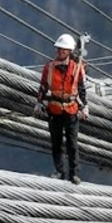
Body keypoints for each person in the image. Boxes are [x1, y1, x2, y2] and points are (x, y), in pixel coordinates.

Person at [37, 33, 87, 184]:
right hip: (54, 109)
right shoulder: (49, 68)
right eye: (59, 49)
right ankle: (60, 171)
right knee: (56, 142)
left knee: (72, 143)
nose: (60, 52)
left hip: (71, 110)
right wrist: (39, 102)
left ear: (70, 51)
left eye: (63, 50)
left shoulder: (78, 68)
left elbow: (82, 89)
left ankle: (74, 174)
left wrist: (84, 106)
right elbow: (43, 87)